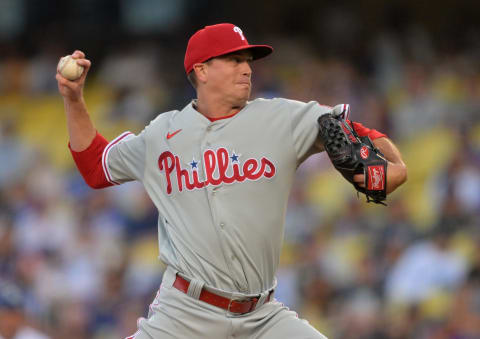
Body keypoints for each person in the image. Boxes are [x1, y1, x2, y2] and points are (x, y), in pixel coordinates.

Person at [56, 23, 407, 339]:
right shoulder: (162, 134)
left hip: (261, 316)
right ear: (202, 70)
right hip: (184, 315)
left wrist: (391, 164)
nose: (247, 68)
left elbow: (361, 137)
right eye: (234, 60)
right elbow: (96, 168)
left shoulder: (283, 118)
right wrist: (74, 100)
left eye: (248, 60)